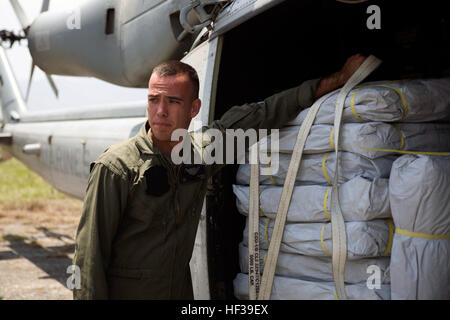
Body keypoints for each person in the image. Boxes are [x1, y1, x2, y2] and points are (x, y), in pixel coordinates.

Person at [73, 54, 367, 299]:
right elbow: (89, 262)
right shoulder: (116, 168)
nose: (160, 111)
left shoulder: (199, 155)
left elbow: (261, 115)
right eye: (153, 100)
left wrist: (338, 80)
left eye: (173, 101)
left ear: (194, 108)